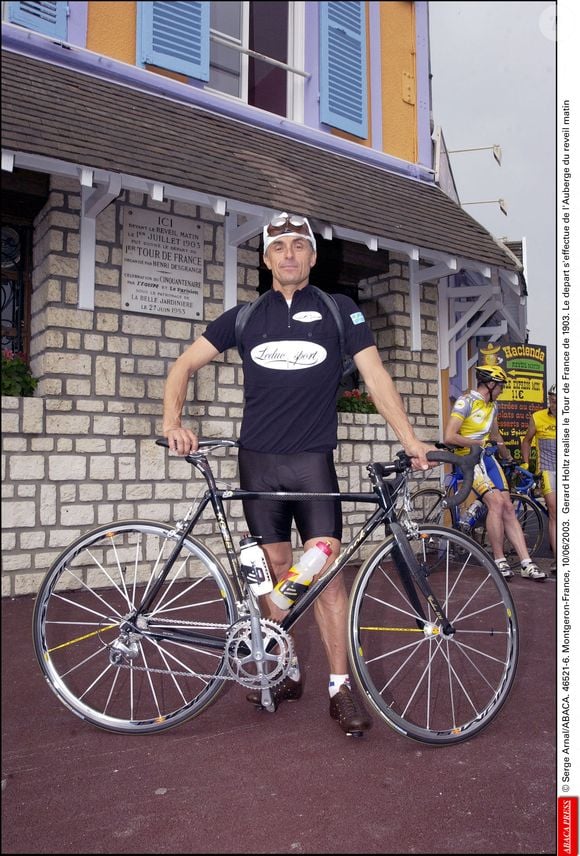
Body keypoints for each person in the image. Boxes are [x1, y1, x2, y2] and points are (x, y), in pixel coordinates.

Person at [162, 211, 434, 736]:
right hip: (257, 464)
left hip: (312, 463)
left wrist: (411, 440)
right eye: (279, 246)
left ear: (312, 256)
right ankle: (284, 668)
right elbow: (182, 366)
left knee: (325, 577)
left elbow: (375, 377)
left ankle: (340, 687)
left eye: (299, 245)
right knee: (277, 570)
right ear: (266, 260)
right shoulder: (243, 317)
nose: (289, 254)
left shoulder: (339, 311)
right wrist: (172, 421)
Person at [443, 364, 547, 581]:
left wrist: (510, 459)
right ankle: (498, 560)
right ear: (490, 384)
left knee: (508, 505)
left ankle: (526, 563)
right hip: (468, 458)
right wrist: (478, 442)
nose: (501, 390)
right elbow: (449, 437)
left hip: (486, 459)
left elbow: (496, 435)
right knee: (496, 503)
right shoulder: (466, 402)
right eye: (500, 386)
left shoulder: (493, 406)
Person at [521, 384, 556, 572]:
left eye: (559, 401)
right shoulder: (538, 417)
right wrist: (527, 464)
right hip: (549, 470)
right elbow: (526, 440)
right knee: (555, 512)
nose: (555, 405)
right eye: (552, 401)